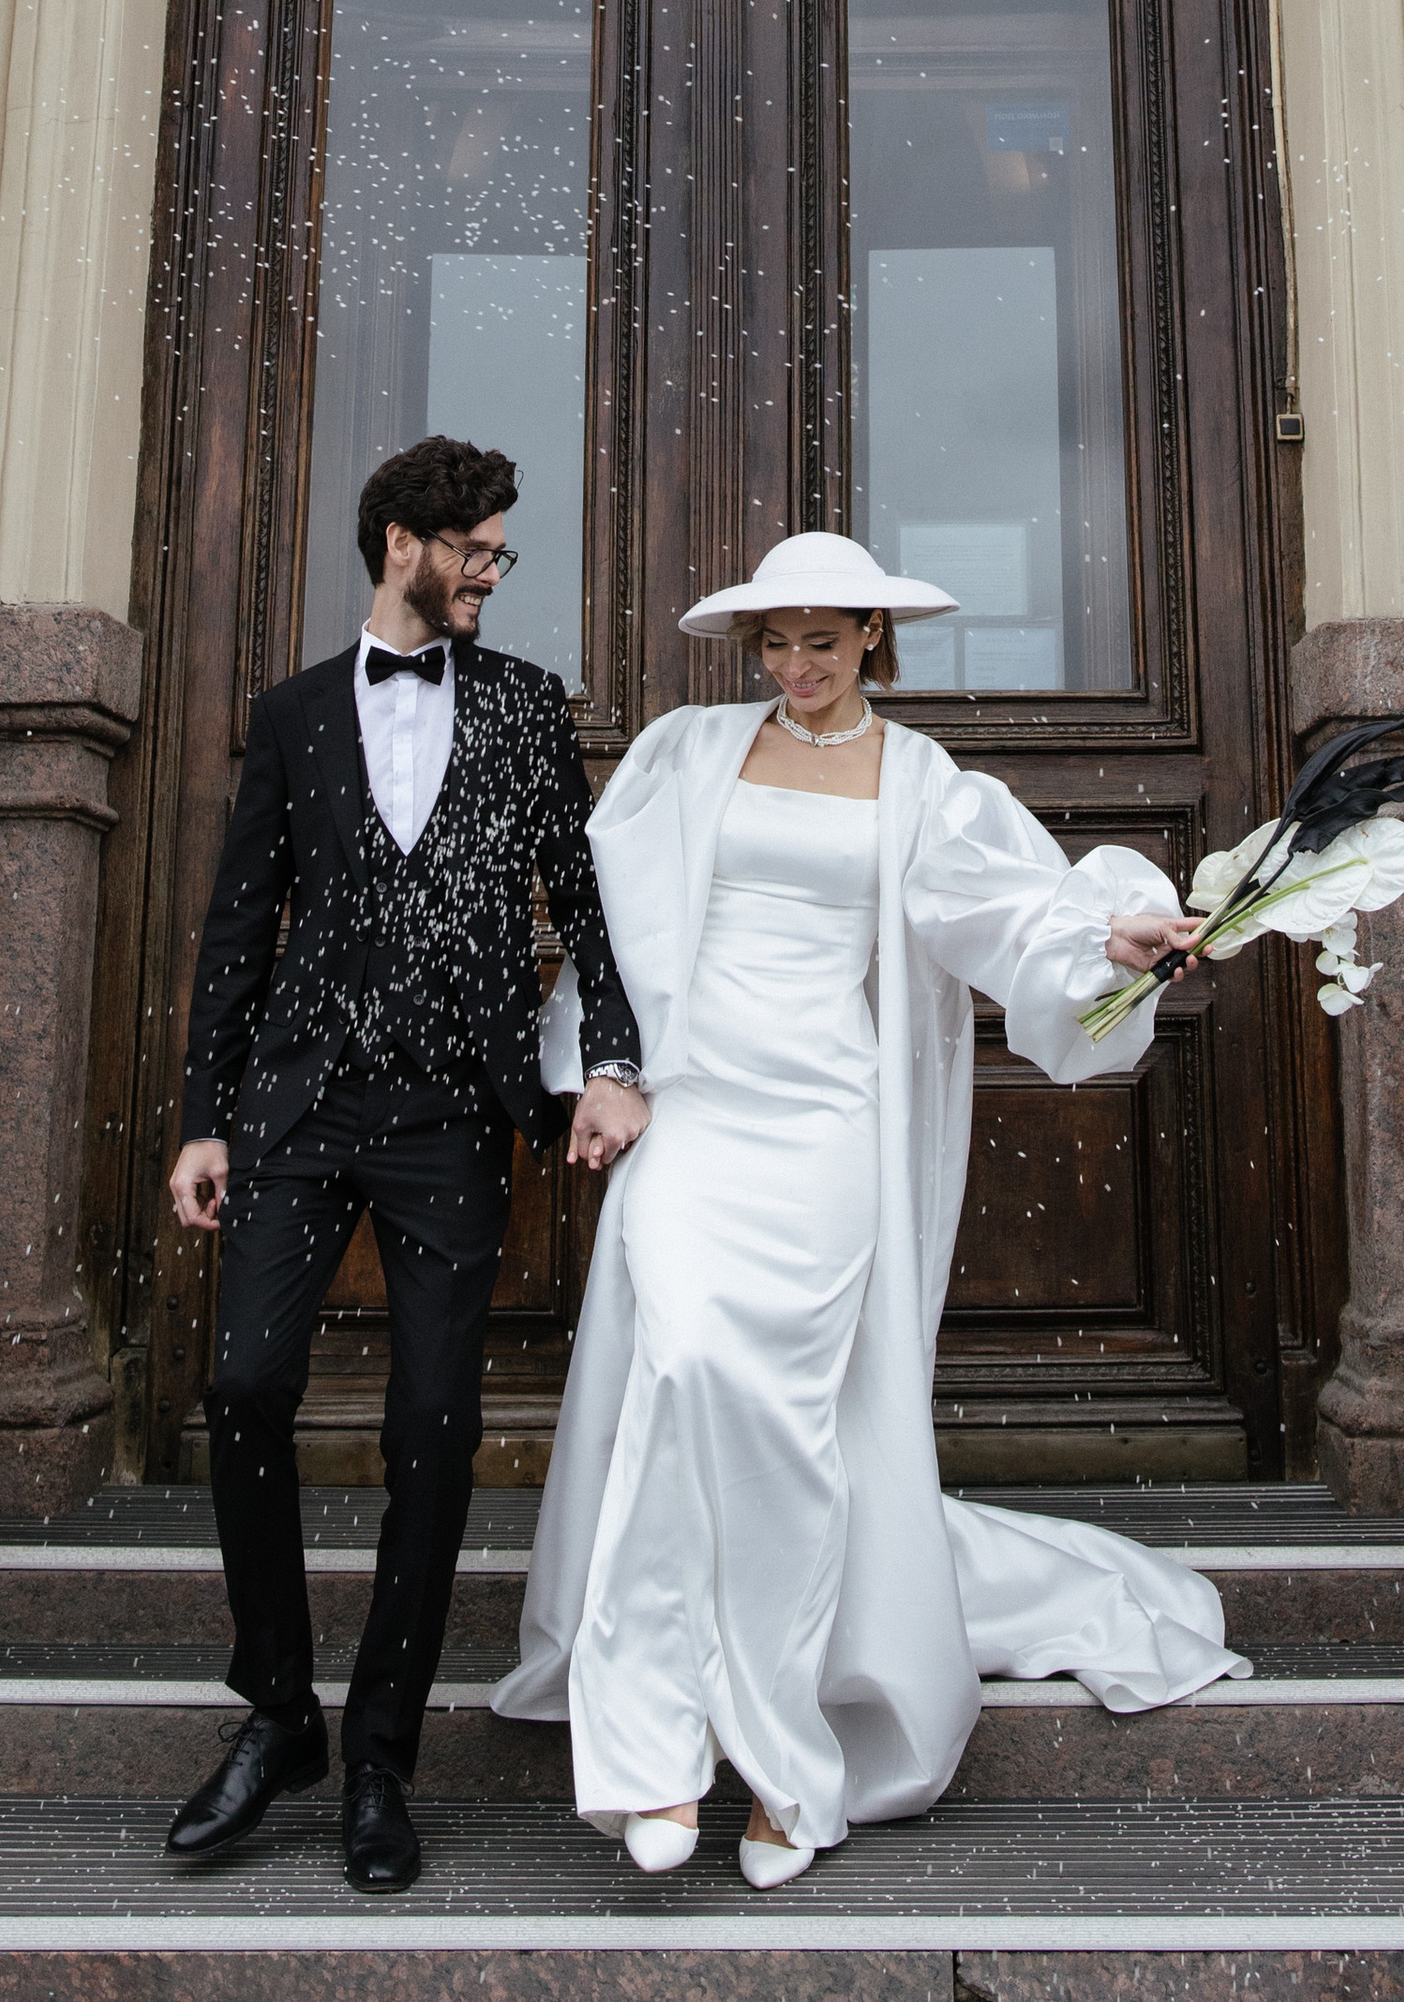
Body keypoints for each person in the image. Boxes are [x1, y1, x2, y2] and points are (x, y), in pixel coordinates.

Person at [496, 530, 1244, 1888]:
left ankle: (788, 1763)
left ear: (872, 643)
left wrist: (1107, 936)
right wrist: (606, 1070)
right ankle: (654, 1747)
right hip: (694, 1111)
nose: (798, 667)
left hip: (828, 1125)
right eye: (777, 645)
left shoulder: (924, 783)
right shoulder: (683, 750)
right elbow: (604, 923)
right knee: (683, 1367)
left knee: (785, 1429)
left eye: (824, 644)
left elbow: (1008, 917)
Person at [165, 433, 648, 1895]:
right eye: (476, 552)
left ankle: (381, 1754)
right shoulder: (295, 714)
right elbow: (240, 923)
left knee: (432, 1429)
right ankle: (276, 1713)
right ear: (403, 546)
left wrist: (613, 1061)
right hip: (300, 1108)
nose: (493, 575)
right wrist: (205, 1115)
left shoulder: (523, 706)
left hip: (450, 1115)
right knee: (246, 1387)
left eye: (500, 553)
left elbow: (583, 896)